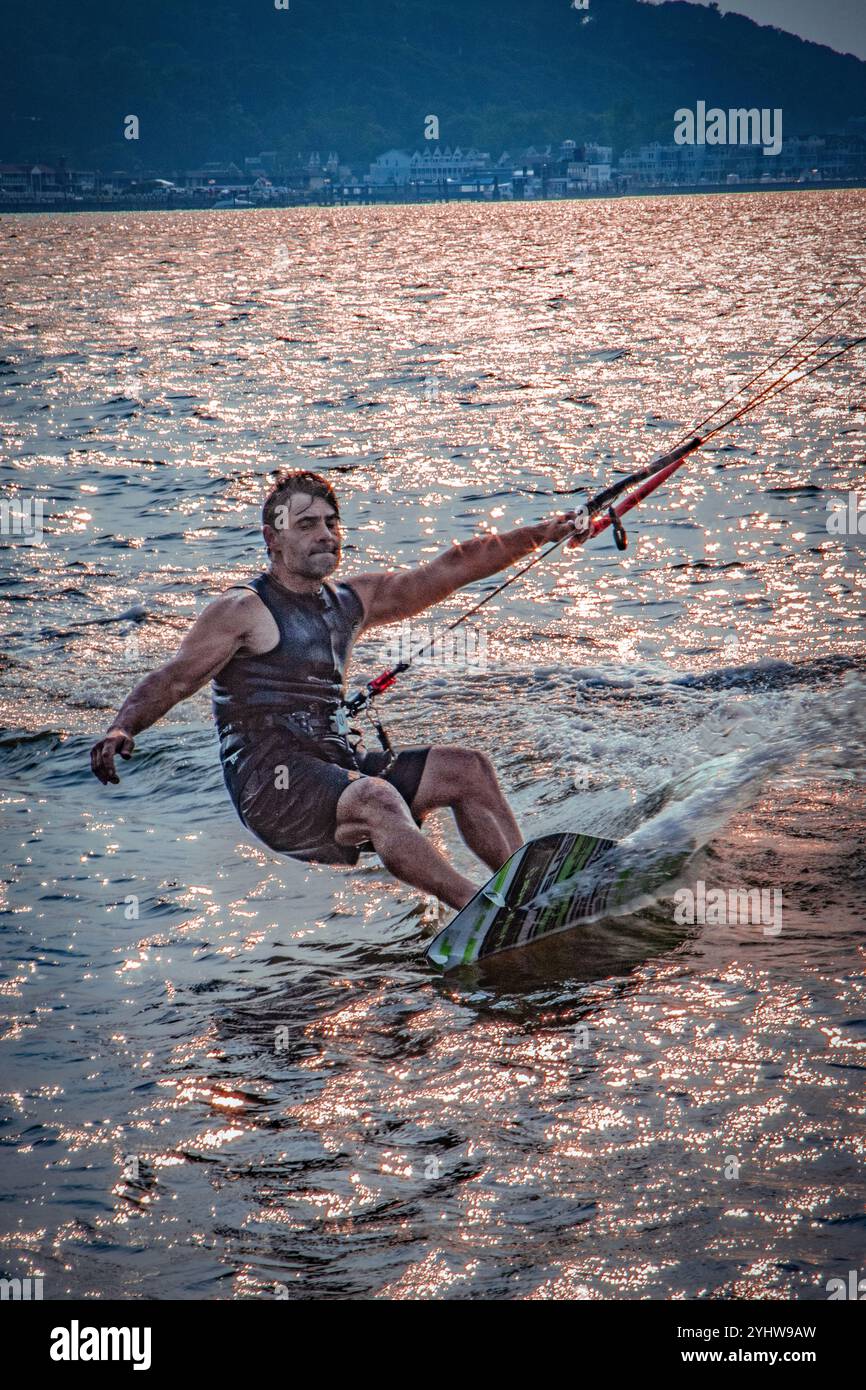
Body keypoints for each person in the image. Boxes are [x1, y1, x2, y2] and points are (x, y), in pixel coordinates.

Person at [90, 470, 581, 910]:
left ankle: (531, 891)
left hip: (332, 767)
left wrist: (544, 532)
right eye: (307, 525)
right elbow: (174, 678)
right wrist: (122, 725)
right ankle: (482, 913)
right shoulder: (242, 609)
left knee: (466, 769)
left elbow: (451, 567)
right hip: (273, 787)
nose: (325, 534)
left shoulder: (351, 600)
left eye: (331, 522)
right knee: (376, 797)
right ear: (273, 539)